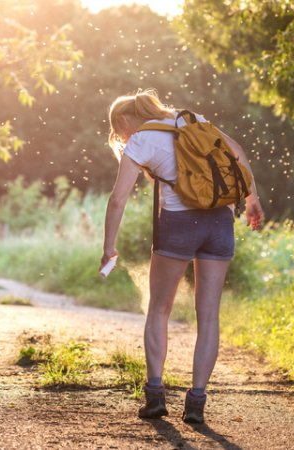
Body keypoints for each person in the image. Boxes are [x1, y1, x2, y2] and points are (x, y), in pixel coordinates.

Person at [100, 89, 264, 424]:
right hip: (219, 222)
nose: (123, 137)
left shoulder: (142, 140)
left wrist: (108, 246)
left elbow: (118, 199)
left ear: (125, 121)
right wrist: (251, 199)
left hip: (178, 225)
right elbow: (237, 151)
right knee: (208, 317)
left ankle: (156, 397)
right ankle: (196, 403)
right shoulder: (192, 120)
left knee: (159, 309)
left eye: (120, 131)